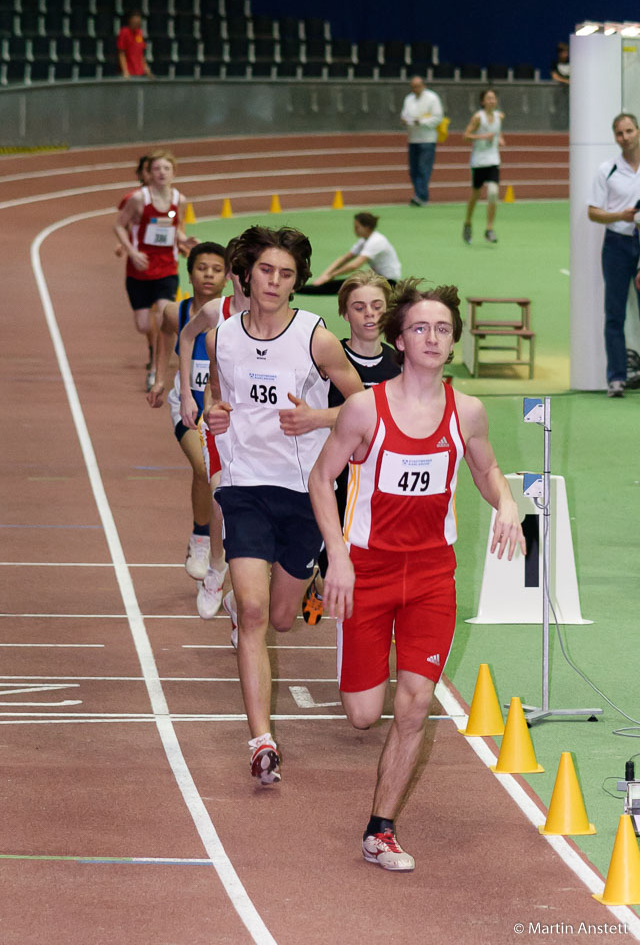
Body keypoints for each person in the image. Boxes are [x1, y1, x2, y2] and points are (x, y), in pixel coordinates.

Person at [308, 279, 525, 871]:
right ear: (400, 339)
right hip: (368, 571)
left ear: (453, 342)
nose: (432, 337)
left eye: (443, 329)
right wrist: (339, 558)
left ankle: (380, 830)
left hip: (432, 576)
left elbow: (487, 470)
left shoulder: (467, 411)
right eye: (421, 327)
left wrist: (506, 502)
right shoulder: (364, 408)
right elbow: (320, 480)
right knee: (362, 714)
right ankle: (351, 642)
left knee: (414, 704)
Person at [203, 225, 363, 786]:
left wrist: (317, 417)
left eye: (287, 274)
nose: (275, 281)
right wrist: (214, 414)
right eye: (267, 271)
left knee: (281, 619)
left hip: (304, 494)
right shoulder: (221, 336)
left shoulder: (315, 338)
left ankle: (256, 607)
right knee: (253, 614)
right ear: (247, 274)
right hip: (245, 486)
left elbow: (363, 408)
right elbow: (216, 398)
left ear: (297, 282)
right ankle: (261, 740)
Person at [302, 269, 400, 626]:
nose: (369, 314)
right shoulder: (329, 360)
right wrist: (321, 418)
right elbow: (310, 414)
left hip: (383, 475)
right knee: (333, 546)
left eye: (377, 306)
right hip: (335, 472)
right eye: (359, 307)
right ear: (345, 313)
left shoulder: (400, 364)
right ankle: (320, 579)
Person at [146, 242, 228, 603]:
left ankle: (228, 550)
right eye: (202, 268)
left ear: (228, 276)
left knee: (223, 481)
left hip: (223, 411)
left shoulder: (231, 317)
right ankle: (200, 539)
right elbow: (166, 338)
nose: (208, 275)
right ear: (189, 272)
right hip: (187, 405)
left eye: (216, 269)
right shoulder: (174, 312)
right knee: (202, 467)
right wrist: (161, 376)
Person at [177, 238, 250, 623]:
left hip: (260, 427)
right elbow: (185, 336)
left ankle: (242, 603)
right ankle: (216, 570)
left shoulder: (272, 315)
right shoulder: (215, 311)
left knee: (257, 511)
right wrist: (188, 394)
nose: (243, 277)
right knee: (223, 497)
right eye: (237, 269)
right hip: (218, 420)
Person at [114, 148, 191, 391]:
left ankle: (157, 370)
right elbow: (118, 226)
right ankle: (153, 346)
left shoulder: (180, 199)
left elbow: (178, 228)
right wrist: (131, 251)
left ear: (174, 172)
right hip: (139, 270)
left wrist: (184, 243)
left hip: (167, 268)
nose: (161, 173)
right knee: (144, 325)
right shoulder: (138, 199)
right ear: (149, 173)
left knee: (163, 315)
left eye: (166, 168)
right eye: (156, 168)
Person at [588, 112, 640, 397]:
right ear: (615, 137)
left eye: (630, 131)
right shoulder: (607, 169)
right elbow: (592, 211)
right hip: (617, 244)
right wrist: (620, 215)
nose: (626, 137)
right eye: (620, 134)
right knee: (614, 313)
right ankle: (617, 378)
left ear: (638, 132)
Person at [296, 213, 401, 296]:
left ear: (367, 228)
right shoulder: (364, 240)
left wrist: (331, 276)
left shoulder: (376, 241)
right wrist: (326, 275)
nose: (354, 230)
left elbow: (354, 265)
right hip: (378, 279)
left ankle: (297, 290)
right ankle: (299, 289)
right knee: (342, 285)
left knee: (343, 286)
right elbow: (345, 258)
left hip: (389, 283)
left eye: (357, 227)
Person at [462, 89, 505, 245]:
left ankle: (489, 229)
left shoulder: (499, 116)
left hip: (494, 160)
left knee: (493, 193)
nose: (492, 101)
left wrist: (500, 138)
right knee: (476, 195)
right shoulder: (478, 118)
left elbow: (497, 132)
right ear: (482, 102)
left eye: (494, 98)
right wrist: (482, 137)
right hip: (479, 161)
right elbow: (466, 136)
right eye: (488, 98)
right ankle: (467, 222)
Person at [400, 75, 443, 207]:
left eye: (417, 86)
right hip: (413, 138)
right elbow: (404, 114)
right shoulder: (409, 99)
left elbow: (438, 118)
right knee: (413, 169)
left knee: (424, 168)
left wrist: (421, 122)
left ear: (423, 86)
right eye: (413, 87)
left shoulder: (432, 98)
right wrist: (405, 120)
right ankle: (418, 194)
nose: (415, 89)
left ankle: (421, 196)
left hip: (427, 138)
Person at [117, 10, 153, 79]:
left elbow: (141, 54)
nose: (137, 24)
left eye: (138, 22)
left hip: (140, 73)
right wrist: (125, 71)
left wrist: (146, 69)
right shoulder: (124, 32)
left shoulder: (139, 33)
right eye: (135, 22)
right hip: (129, 74)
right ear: (130, 21)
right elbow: (121, 53)